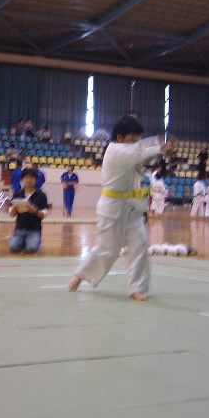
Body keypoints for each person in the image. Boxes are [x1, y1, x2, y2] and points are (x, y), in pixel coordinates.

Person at [68, 115, 172, 301]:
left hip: (130, 206)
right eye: (131, 138)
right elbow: (139, 152)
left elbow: (139, 158)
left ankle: (136, 289)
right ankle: (80, 275)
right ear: (119, 138)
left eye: (137, 138)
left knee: (139, 244)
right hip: (112, 206)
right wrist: (161, 146)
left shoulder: (130, 152)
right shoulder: (115, 150)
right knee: (108, 249)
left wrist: (159, 150)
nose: (135, 142)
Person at [8, 168, 48, 254]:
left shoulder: (41, 195)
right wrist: (14, 209)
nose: (29, 180)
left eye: (32, 178)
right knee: (13, 248)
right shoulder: (17, 194)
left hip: (34, 230)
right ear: (22, 180)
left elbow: (44, 215)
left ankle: (29, 242)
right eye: (26, 178)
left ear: (35, 180)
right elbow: (11, 215)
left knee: (31, 249)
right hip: (19, 229)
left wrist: (35, 211)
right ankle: (22, 242)